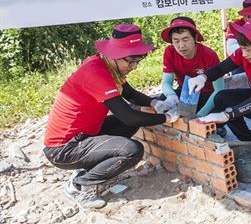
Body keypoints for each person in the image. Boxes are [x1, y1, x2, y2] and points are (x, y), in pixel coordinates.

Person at [43, 24, 179, 209]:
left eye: (137, 62)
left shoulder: (108, 66)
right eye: (130, 62)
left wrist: (155, 103)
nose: (134, 67)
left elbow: (129, 94)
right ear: (113, 55)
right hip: (64, 149)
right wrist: (167, 118)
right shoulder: (95, 72)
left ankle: (89, 169)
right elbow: (129, 116)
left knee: (128, 126)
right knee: (132, 151)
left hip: (85, 134)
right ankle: (82, 185)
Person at [160, 16, 223, 118]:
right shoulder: (170, 52)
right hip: (185, 94)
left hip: (207, 96)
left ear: (195, 38)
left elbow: (219, 90)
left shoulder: (209, 55)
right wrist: (171, 96)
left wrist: (200, 115)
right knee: (162, 99)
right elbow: (166, 82)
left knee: (222, 101)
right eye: (176, 41)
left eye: (185, 39)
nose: (181, 45)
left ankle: (216, 127)